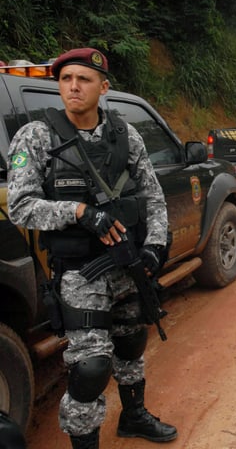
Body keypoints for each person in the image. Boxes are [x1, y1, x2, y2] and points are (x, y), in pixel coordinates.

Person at [7, 48, 177, 447]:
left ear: (103, 87)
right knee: (91, 367)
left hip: (128, 263)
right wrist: (80, 211)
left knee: (133, 341)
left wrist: (154, 246)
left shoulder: (124, 134)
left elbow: (153, 197)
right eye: (66, 80)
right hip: (79, 272)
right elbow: (21, 206)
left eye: (83, 79)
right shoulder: (36, 137)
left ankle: (134, 416)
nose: (73, 87)